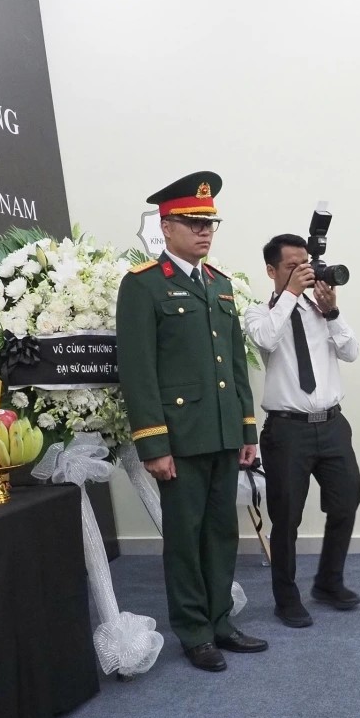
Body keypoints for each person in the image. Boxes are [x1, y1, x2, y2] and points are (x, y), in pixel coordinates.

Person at [116, 171, 266, 672]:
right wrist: (154, 444)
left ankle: (221, 621)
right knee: (185, 539)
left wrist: (247, 431)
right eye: (193, 222)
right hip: (179, 440)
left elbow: (236, 364)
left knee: (222, 533)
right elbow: (138, 371)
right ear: (167, 226)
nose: (204, 231)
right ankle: (194, 631)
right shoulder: (143, 285)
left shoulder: (219, 284)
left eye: (210, 223)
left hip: (223, 433)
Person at [243, 234, 360, 628]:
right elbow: (267, 339)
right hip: (287, 431)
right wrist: (291, 294)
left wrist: (333, 312)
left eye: (305, 264)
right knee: (286, 518)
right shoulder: (258, 313)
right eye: (292, 266)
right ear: (271, 270)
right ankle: (286, 598)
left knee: (346, 501)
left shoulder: (320, 311)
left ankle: (329, 582)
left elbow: (351, 351)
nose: (302, 272)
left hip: (332, 425)